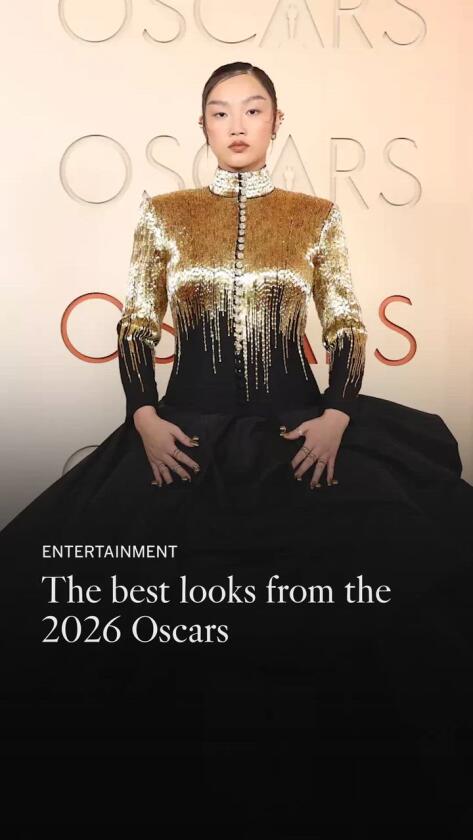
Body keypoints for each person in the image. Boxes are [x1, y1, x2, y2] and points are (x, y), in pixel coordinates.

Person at [1, 62, 473, 829]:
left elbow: (346, 324)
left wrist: (337, 415)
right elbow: (136, 324)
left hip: (299, 433)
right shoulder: (164, 214)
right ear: (203, 127)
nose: (237, 124)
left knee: (389, 599)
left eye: (253, 110)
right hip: (183, 436)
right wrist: (143, 416)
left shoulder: (315, 216)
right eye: (220, 112)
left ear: (276, 123)